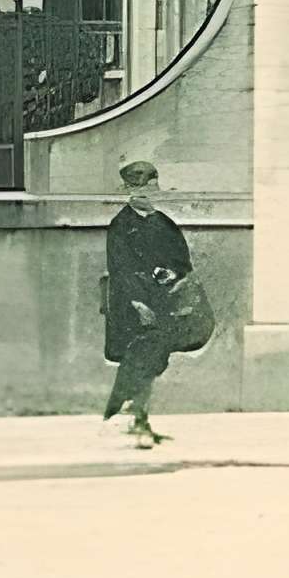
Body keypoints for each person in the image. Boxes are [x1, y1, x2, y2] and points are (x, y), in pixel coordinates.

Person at [103, 158, 191, 449]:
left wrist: (169, 274)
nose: (145, 193)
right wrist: (138, 304)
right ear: (127, 190)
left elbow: (181, 261)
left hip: (162, 302)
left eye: (150, 187)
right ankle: (128, 415)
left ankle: (135, 416)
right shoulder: (120, 226)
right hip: (132, 305)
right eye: (138, 188)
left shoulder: (164, 224)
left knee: (153, 360)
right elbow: (121, 269)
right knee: (138, 358)